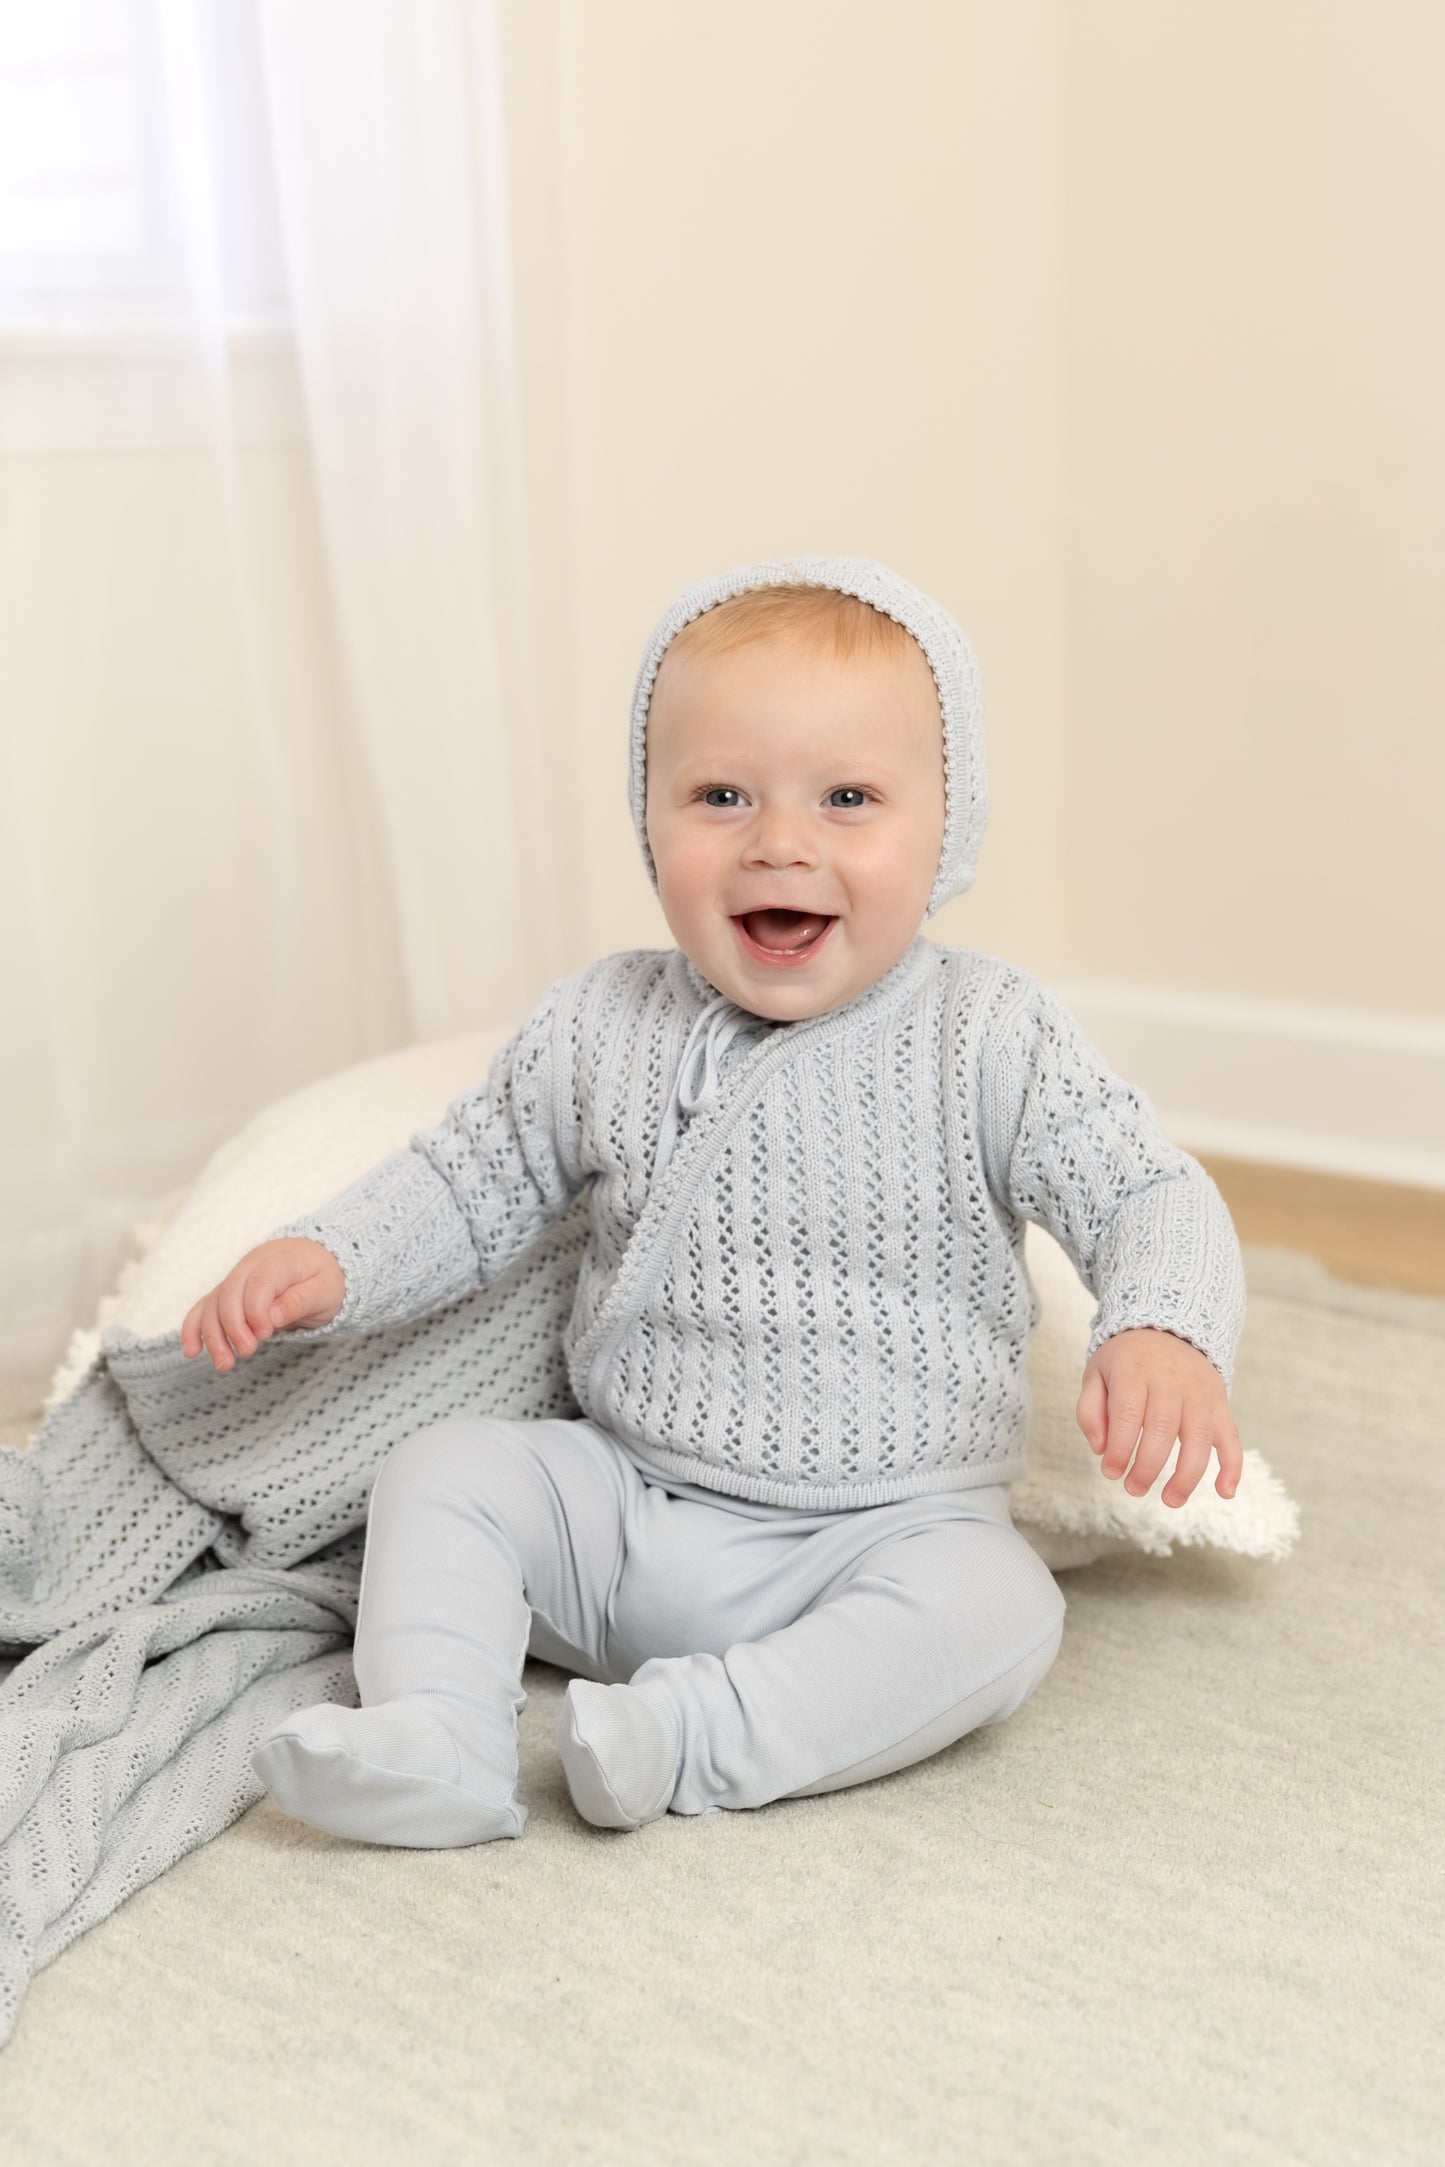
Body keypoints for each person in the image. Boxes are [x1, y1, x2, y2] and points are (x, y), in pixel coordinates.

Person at [180, 556, 1247, 1849]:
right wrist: (332, 1255)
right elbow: (472, 1176)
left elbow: (1141, 1187)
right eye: (720, 795)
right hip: (627, 1505)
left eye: (848, 797)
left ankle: (687, 1734)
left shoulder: (985, 1033)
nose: (778, 841)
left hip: (877, 1535)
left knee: (999, 1613)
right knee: (447, 1471)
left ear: (944, 829)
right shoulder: (602, 1020)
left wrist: (1164, 1324)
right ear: (650, 823)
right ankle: (436, 1733)